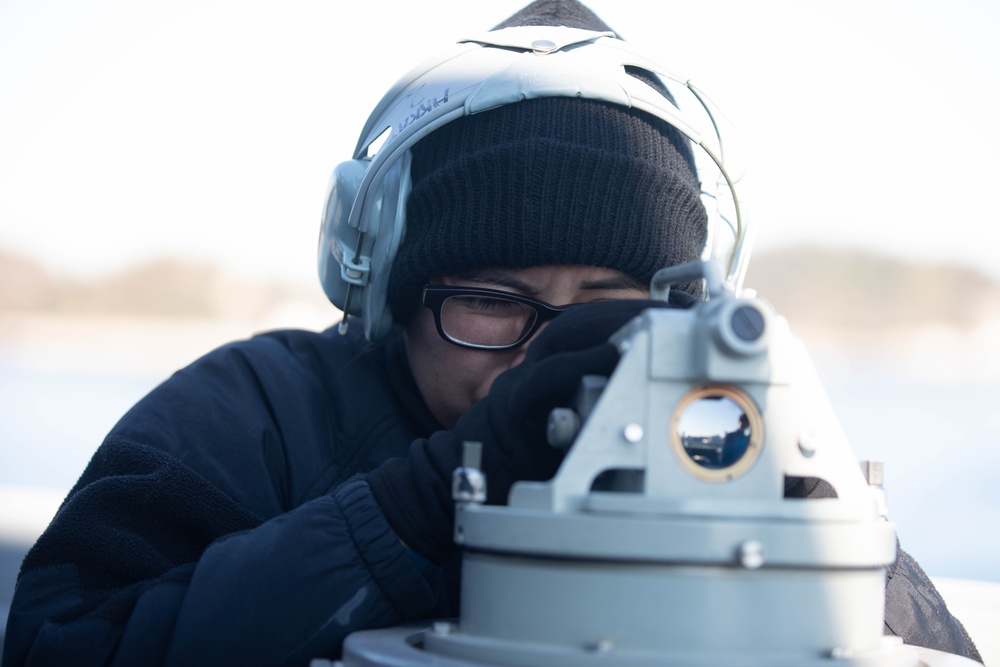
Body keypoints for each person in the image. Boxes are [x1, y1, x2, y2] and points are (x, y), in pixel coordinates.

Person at [2, 1, 981, 665]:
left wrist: (803, 515)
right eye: (491, 300)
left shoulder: (727, 438)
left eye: (609, 305)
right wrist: (413, 507)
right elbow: (63, 643)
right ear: (386, 286)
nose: (541, 353)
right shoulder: (257, 413)